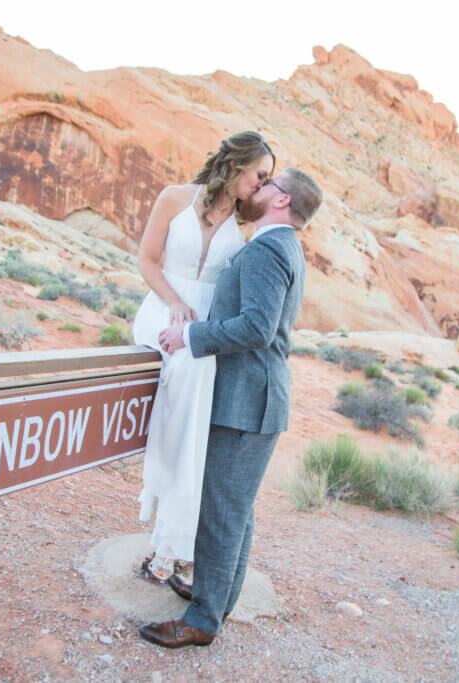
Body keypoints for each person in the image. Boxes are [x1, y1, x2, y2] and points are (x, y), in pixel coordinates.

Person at [138, 167, 323, 648]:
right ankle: (216, 599)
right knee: (235, 511)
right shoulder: (283, 247)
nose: (256, 189)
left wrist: (189, 336)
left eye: (267, 184)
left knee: (222, 512)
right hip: (257, 400)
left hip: (247, 402)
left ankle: (202, 620)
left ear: (281, 201)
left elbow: (257, 328)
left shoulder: (266, 249)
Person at [131, 131, 275, 586]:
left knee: (195, 416)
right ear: (236, 166)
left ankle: (170, 542)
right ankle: (171, 541)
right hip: (162, 313)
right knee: (190, 406)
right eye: (260, 174)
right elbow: (147, 260)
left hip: (201, 335)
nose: (262, 184)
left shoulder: (244, 227)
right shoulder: (174, 199)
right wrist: (174, 303)